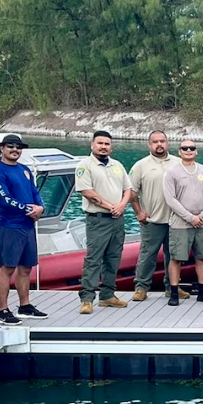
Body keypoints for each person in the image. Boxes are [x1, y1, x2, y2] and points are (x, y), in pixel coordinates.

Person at [0, 134, 48, 325]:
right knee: (7, 268)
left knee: (26, 268)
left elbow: (34, 192)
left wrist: (41, 208)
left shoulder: (25, 169)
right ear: (2, 148)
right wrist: (28, 209)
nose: (15, 150)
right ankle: (2, 311)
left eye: (18, 147)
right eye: (10, 146)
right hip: (9, 226)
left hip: (27, 226)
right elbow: (3, 199)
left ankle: (24, 306)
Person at [76, 130, 133, 314]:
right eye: (100, 143)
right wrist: (110, 206)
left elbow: (128, 189)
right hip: (98, 220)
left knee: (113, 258)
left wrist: (122, 206)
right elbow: (87, 192)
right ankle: (87, 298)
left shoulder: (117, 165)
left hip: (118, 219)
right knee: (94, 259)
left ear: (111, 146)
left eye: (107, 144)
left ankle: (108, 295)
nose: (103, 147)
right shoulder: (85, 166)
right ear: (92, 145)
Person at [163, 139, 203, 306]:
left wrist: (202, 216)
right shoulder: (171, 172)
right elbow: (170, 199)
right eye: (184, 148)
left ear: (196, 151)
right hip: (180, 224)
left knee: (202, 258)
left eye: (192, 148)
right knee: (176, 258)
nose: (188, 150)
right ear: (179, 151)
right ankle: (174, 292)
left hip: (202, 223)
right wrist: (189, 217)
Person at [128, 130, 176, 303]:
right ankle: (141, 287)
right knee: (147, 255)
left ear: (167, 142)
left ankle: (172, 288)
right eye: (155, 141)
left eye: (162, 141)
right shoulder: (140, 165)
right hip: (152, 220)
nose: (159, 144)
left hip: (174, 220)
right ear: (149, 144)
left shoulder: (178, 163)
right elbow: (131, 192)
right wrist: (138, 212)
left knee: (174, 256)